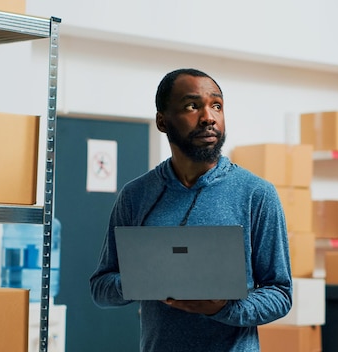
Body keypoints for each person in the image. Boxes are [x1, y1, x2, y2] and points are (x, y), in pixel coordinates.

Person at [89, 68, 292, 352]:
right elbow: (101, 288)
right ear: (163, 121)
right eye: (192, 106)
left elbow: (280, 293)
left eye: (217, 106)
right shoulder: (135, 196)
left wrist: (222, 308)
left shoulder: (257, 194)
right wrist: (143, 280)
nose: (209, 117)